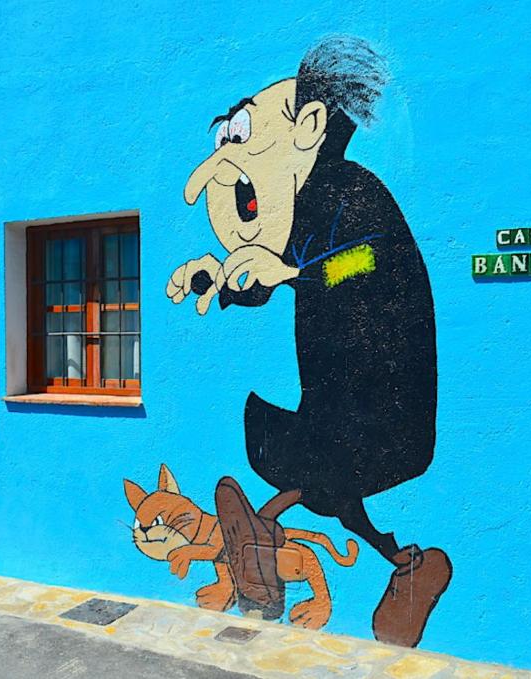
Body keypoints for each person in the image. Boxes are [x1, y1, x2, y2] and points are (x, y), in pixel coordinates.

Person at [167, 35, 452, 646]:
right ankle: (410, 566)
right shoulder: (305, 208)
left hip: (386, 407)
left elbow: (370, 262)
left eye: (241, 131)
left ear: (311, 125)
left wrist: (298, 273)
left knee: (312, 468)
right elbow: (266, 275)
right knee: (322, 482)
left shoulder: (353, 193)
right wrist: (217, 280)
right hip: (337, 402)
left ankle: (259, 553)